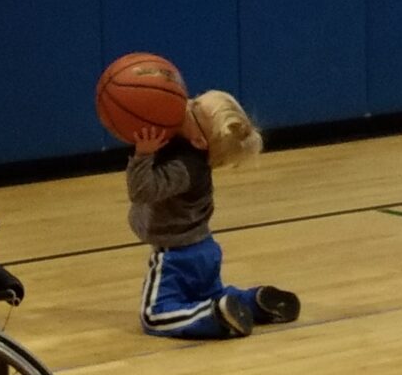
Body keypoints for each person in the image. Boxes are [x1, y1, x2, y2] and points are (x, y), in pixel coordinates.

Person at [127, 89, 300, 339]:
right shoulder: (192, 155)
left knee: (154, 316)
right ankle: (254, 301)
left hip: (176, 255)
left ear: (199, 140)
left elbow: (141, 190)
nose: (187, 104)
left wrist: (142, 154)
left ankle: (213, 318)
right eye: (194, 99)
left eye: (194, 109)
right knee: (209, 294)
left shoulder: (183, 168)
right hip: (205, 248)